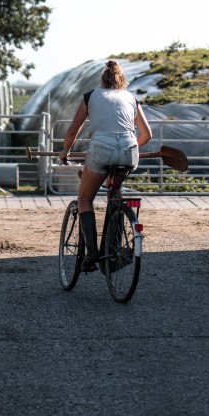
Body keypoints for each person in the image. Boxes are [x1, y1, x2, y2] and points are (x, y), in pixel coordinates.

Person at [59, 59, 152, 271]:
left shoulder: (91, 96)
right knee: (114, 191)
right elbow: (147, 135)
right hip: (129, 151)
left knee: (84, 199)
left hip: (101, 150)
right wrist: (130, 148)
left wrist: (65, 151)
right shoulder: (131, 98)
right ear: (122, 80)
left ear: (103, 79)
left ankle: (92, 254)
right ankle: (113, 249)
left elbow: (73, 131)